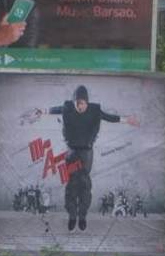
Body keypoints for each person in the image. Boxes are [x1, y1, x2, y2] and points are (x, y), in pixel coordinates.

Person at [44, 85, 139, 231]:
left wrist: (127, 120)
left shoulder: (95, 110)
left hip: (86, 153)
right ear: (74, 102)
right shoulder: (67, 107)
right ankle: (72, 216)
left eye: (82, 103)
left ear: (87, 103)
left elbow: (109, 117)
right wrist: (42, 111)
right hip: (71, 151)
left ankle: (82, 216)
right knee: (71, 185)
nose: (79, 106)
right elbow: (54, 110)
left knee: (84, 184)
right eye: (77, 103)